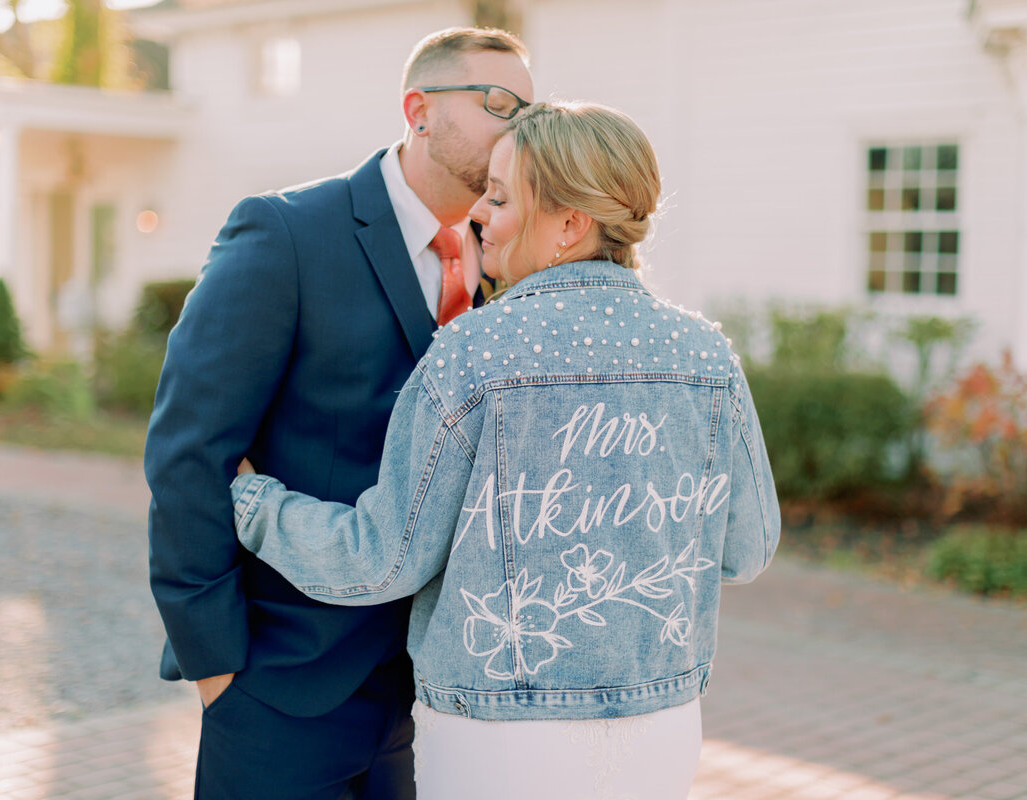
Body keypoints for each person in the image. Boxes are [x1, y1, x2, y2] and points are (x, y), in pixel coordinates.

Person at [230, 101, 781, 799]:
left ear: (570, 224)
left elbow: (383, 559)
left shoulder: (474, 350)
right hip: (662, 725)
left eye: (498, 196)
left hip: (498, 736)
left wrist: (255, 502)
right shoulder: (705, 355)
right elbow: (747, 549)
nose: (477, 214)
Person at [144, 27, 533, 800]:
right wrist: (216, 668)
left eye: (529, 109)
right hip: (282, 683)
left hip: (427, 694)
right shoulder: (286, 232)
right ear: (419, 111)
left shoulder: (505, 259)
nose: (518, 125)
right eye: (497, 102)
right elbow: (189, 451)